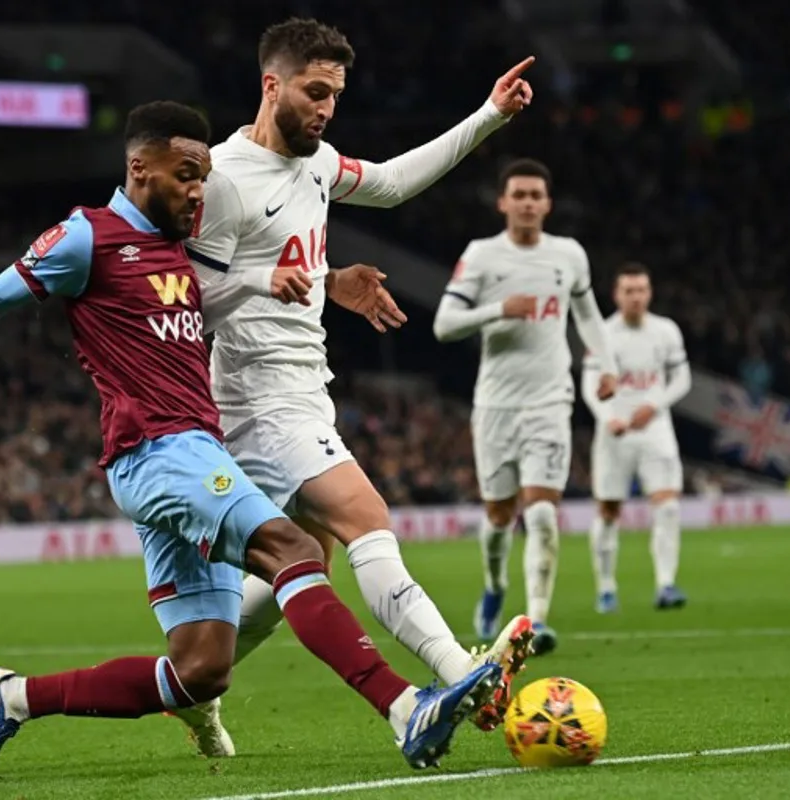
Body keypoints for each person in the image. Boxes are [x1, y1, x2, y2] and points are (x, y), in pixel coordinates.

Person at [0, 101, 500, 785]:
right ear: (138, 168)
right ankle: (404, 707)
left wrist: (326, 282)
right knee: (298, 550)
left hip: (191, 454)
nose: (197, 192)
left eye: (204, 177)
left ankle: (9, 697)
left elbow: (225, 287)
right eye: (185, 175)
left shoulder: (176, 250)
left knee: (201, 671)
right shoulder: (84, 238)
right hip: (159, 453)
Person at [179, 17, 538, 745]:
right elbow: (188, 301)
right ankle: (456, 667)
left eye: (335, 96)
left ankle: (196, 683)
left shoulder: (314, 165)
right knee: (365, 518)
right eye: (314, 93)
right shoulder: (222, 180)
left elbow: (393, 183)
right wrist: (258, 279)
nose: (326, 109)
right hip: (256, 397)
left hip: (306, 388)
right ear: (270, 84)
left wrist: (490, 115)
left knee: (302, 561)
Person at [432, 158, 618, 649]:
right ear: (503, 202)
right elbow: (444, 324)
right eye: (520, 195)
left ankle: (533, 621)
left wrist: (607, 365)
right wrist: (497, 310)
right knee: (498, 516)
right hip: (495, 405)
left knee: (540, 513)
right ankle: (494, 587)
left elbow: (588, 314)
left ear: (548, 204)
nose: (529, 203)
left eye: (537, 195)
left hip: (550, 401)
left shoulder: (569, 255)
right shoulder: (483, 256)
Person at [584, 262, 691, 612]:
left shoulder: (666, 331)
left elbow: (681, 379)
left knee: (669, 506)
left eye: (641, 290)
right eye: (629, 290)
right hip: (614, 432)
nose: (636, 297)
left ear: (650, 292)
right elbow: (589, 382)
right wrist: (607, 416)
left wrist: (654, 405)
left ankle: (666, 584)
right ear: (617, 294)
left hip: (655, 430)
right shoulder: (602, 334)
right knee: (609, 511)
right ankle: (606, 588)